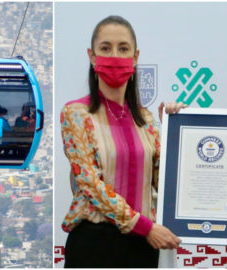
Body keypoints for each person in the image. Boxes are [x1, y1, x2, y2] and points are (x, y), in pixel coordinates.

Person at [60, 15, 184, 268]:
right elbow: (90, 184)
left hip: (142, 246)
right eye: (105, 48)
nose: (115, 55)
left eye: (123, 48)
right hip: (95, 243)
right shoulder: (75, 113)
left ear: (135, 57)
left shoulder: (147, 119)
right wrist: (144, 226)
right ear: (92, 56)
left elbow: (164, 182)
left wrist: (176, 130)